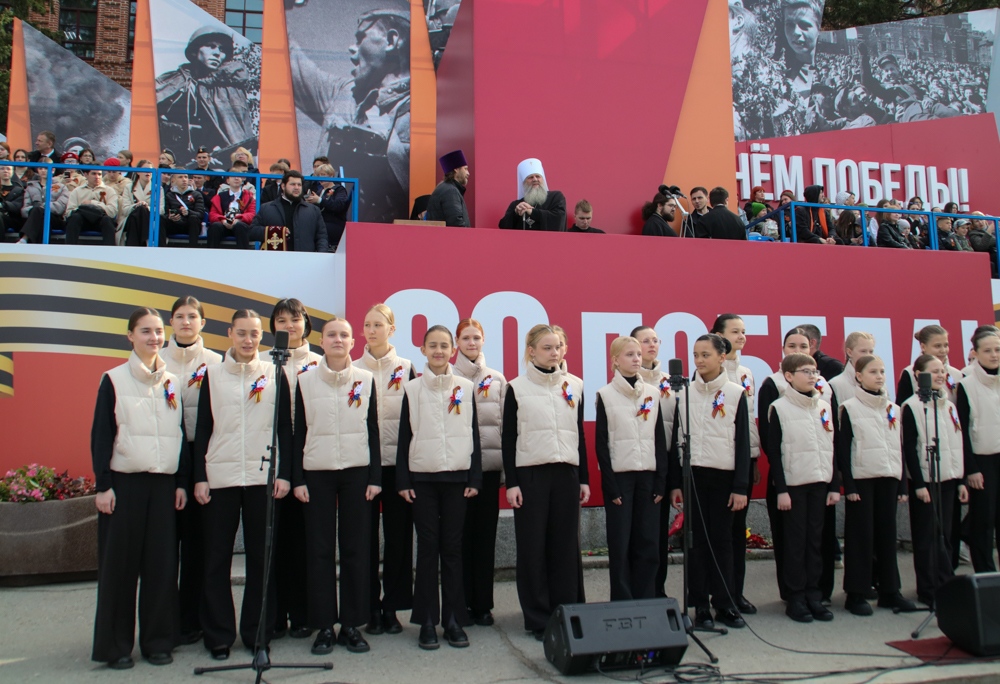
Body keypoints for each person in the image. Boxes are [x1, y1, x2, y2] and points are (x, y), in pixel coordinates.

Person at [90, 307, 187, 670]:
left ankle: (158, 641)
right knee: (120, 569)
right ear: (130, 336)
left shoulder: (172, 381)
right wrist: (104, 485)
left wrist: (180, 482)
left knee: (161, 567)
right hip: (124, 485)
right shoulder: (113, 380)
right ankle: (116, 646)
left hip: (163, 485)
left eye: (158, 331)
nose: (154, 338)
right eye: (145, 331)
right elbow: (102, 435)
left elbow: (180, 434)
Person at [192, 309, 292, 660]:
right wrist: (200, 476)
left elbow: (284, 427)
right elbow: (203, 427)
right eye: (242, 333)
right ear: (230, 334)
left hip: (262, 477)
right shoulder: (213, 374)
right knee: (216, 558)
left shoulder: (274, 373)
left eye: (254, 334)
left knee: (261, 559)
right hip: (220, 477)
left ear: (262, 337)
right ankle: (218, 635)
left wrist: (283, 473)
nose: (248, 340)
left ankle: (257, 633)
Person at [287, 317, 380, 656]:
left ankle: (352, 624)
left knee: (356, 549)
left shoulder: (366, 379)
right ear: (321, 341)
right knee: (320, 551)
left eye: (344, 335)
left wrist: (375, 477)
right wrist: (298, 478)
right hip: (317, 473)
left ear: (353, 342)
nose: (338, 340)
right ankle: (324, 625)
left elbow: (372, 429)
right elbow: (299, 432)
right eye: (331, 335)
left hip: (356, 473)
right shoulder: (305, 381)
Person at [397, 325, 482, 649]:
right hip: (423, 480)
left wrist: (474, 477)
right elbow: (404, 436)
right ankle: (427, 621)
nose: (438, 351)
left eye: (444, 345)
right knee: (428, 548)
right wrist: (403, 479)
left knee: (453, 549)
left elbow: (474, 434)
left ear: (453, 350)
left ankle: (454, 620)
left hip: (457, 480)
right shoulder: (412, 389)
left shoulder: (465, 387)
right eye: (432, 345)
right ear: (423, 349)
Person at [503, 324, 589, 640]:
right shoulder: (516, 388)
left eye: (558, 347)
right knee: (533, 547)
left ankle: (567, 610)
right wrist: (512, 483)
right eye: (547, 348)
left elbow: (579, 434)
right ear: (531, 351)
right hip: (531, 475)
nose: (554, 353)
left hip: (566, 473)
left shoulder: (575, 385)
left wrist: (583, 478)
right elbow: (508, 438)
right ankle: (539, 618)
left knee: (565, 546)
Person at [289, 10, 411, 223]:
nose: (351, 48)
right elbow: (292, 63)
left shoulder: (425, 110)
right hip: (328, 222)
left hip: (382, 233)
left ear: (392, 41)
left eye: (361, 37)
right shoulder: (344, 92)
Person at [668, 334, 749, 630]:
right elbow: (676, 439)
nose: (699, 360)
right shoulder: (684, 393)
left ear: (721, 357)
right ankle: (700, 604)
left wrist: (740, 487)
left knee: (722, 541)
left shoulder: (735, 393)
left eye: (706, 355)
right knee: (696, 541)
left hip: (723, 476)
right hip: (693, 475)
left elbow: (742, 443)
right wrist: (676, 483)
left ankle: (725, 603)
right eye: (696, 355)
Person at [162, 296, 222, 646]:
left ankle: (193, 620)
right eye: (180, 316)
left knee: (198, 546)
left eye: (192, 316)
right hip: (167, 455)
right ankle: (165, 623)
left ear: (203, 323)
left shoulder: (216, 362)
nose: (186, 322)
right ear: (171, 322)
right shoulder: (158, 360)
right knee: (165, 547)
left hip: (202, 455)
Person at [354, 303, 416, 636]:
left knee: (398, 539)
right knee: (363, 539)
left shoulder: (406, 368)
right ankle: (368, 607)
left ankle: (392, 606)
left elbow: (415, 419)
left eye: (378, 325)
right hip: (363, 465)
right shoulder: (352, 369)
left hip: (396, 466)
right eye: (367, 325)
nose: (372, 330)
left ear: (391, 330)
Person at [836, 355, 914, 615]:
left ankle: (890, 591)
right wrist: (849, 486)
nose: (879, 376)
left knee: (887, 536)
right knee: (861, 537)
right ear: (859, 376)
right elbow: (844, 450)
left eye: (882, 371)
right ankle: (856, 593)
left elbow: (898, 447)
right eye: (873, 372)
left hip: (888, 477)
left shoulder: (893, 408)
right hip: (862, 479)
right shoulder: (849, 408)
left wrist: (902, 484)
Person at [265, 299, 322, 642]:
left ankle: (302, 614)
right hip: (270, 458)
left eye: (295, 319)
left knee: (304, 542)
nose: (289, 325)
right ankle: (273, 616)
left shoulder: (320, 362)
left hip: (309, 457)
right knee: (272, 542)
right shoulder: (262, 362)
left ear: (306, 324)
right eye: (281, 320)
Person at [595, 336, 669, 600]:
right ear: (615, 360)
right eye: (629, 355)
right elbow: (602, 444)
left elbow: (659, 440)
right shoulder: (605, 395)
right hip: (621, 480)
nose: (637, 359)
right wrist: (611, 485)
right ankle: (623, 600)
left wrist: (661, 481)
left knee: (648, 541)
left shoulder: (653, 393)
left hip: (648, 477)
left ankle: (646, 597)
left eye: (638, 354)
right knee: (621, 542)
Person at [767, 353, 838, 623]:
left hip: (819, 483)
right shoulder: (779, 408)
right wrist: (782, 489)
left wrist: (834, 485)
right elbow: (774, 452)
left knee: (815, 542)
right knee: (795, 543)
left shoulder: (824, 407)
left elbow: (831, 446)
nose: (812, 376)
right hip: (794, 486)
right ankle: (795, 597)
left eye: (814, 371)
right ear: (789, 376)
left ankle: (814, 595)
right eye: (805, 371)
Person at [452, 319, 506, 627]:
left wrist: (505, 471)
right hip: (458, 470)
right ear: (457, 342)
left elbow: (504, 426)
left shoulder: (496, 379)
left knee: (485, 539)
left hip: (487, 469)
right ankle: (460, 604)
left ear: (483, 340)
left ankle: (483, 605)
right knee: (459, 539)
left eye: (476, 337)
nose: (471, 343)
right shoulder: (448, 376)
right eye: (466, 338)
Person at [904, 355, 968, 605]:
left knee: (946, 536)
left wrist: (960, 480)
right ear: (919, 375)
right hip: (927, 481)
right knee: (927, 537)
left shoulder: (949, 406)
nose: (940, 375)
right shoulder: (912, 406)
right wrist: (919, 483)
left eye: (942, 371)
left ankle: (947, 584)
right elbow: (910, 448)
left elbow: (957, 443)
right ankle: (929, 588)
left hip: (949, 478)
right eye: (934, 371)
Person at [711, 314, 761, 614]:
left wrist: (752, 456)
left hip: (745, 458)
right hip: (718, 462)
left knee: (738, 531)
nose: (741, 336)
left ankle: (736, 592)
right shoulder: (709, 373)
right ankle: (719, 595)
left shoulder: (746, 373)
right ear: (719, 336)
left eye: (743, 332)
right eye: (735, 331)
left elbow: (748, 421)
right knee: (720, 533)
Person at [156, 28, 254, 159]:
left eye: (222, 50)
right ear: (195, 51)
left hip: (215, 160)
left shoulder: (227, 90)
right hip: (173, 157)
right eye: (211, 46)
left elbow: (238, 133)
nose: (217, 53)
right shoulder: (175, 80)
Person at [631, 325, 678, 598]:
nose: (651, 345)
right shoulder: (627, 383)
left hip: (666, 461)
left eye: (655, 340)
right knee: (641, 531)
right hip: (640, 463)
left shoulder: (670, 382)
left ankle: (658, 589)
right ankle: (638, 591)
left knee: (659, 532)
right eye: (645, 341)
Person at [957, 330, 1000, 572]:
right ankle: (986, 574)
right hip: (982, 461)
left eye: (998, 350)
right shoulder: (966, 385)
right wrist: (971, 468)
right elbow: (962, 430)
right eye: (988, 350)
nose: (994, 355)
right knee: (983, 520)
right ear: (975, 353)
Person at [250, 170, 328, 252]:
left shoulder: (313, 210)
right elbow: (252, 232)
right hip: (275, 258)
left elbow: (322, 237)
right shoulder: (267, 208)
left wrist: (322, 254)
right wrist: (274, 231)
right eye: (292, 184)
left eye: (299, 185)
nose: (296, 187)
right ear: (283, 186)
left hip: (304, 258)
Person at [897, 325, 963, 406]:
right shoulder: (909, 373)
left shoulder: (957, 375)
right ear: (923, 347)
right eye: (937, 346)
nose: (943, 350)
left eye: (946, 345)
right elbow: (902, 407)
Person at [498, 158, 566, 231]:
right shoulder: (516, 205)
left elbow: (559, 219)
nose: (535, 179)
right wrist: (515, 213)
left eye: (538, 176)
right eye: (530, 177)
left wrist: (533, 212)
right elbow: (503, 227)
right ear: (524, 182)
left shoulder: (555, 197)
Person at [18, 158, 69, 244]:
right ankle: (41, 247)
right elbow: (24, 210)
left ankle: (25, 238)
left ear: (53, 170)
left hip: (54, 218)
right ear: (37, 170)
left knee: (39, 211)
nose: (43, 171)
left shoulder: (62, 187)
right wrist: (36, 209)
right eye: (40, 168)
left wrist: (42, 207)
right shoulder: (30, 186)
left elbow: (60, 207)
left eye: (46, 168)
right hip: (35, 217)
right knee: (38, 214)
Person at [64, 168, 118, 245]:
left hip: (101, 220)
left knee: (107, 220)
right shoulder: (77, 191)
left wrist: (93, 203)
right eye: (94, 174)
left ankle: (110, 250)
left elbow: (112, 212)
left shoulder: (109, 190)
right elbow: (69, 212)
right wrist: (84, 210)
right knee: (74, 218)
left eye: (99, 174)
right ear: (86, 175)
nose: (97, 177)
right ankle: (69, 249)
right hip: (82, 221)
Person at [306, 164, 352, 251]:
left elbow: (339, 206)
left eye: (323, 175)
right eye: (318, 175)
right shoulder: (318, 191)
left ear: (331, 175)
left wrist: (319, 200)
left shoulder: (339, 189)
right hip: (319, 231)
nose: (320, 178)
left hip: (333, 231)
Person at [207, 170, 256, 249]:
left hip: (240, 225)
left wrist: (239, 219)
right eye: (233, 176)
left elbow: (252, 214)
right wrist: (223, 220)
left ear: (242, 180)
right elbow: (213, 214)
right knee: (215, 227)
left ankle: (244, 255)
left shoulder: (249, 197)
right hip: (223, 224)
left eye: (238, 176)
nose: (236, 178)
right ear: (228, 181)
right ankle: (211, 255)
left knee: (240, 226)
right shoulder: (219, 196)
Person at [123, 161, 165, 247]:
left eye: (150, 170)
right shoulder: (128, 187)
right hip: (131, 219)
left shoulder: (158, 188)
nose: (148, 172)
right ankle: (146, 242)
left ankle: (133, 246)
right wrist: (136, 205)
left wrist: (147, 208)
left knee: (142, 210)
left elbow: (161, 210)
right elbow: (124, 210)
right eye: (145, 169)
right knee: (139, 210)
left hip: (150, 220)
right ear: (138, 172)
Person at [426, 150, 470, 227]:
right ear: (456, 169)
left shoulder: (444, 187)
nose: (468, 173)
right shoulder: (451, 191)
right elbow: (456, 224)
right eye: (465, 169)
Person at [160, 171, 204, 247]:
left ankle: (193, 249)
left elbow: (200, 214)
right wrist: (170, 217)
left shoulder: (196, 194)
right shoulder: (169, 195)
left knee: (194, 218)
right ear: (173, 180)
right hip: (174, 224)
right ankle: (161, 249)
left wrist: (188, 212)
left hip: (190, 225)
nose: (184, 179)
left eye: (186, 177)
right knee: (161, 219)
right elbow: (166, 213)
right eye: (180, 177)